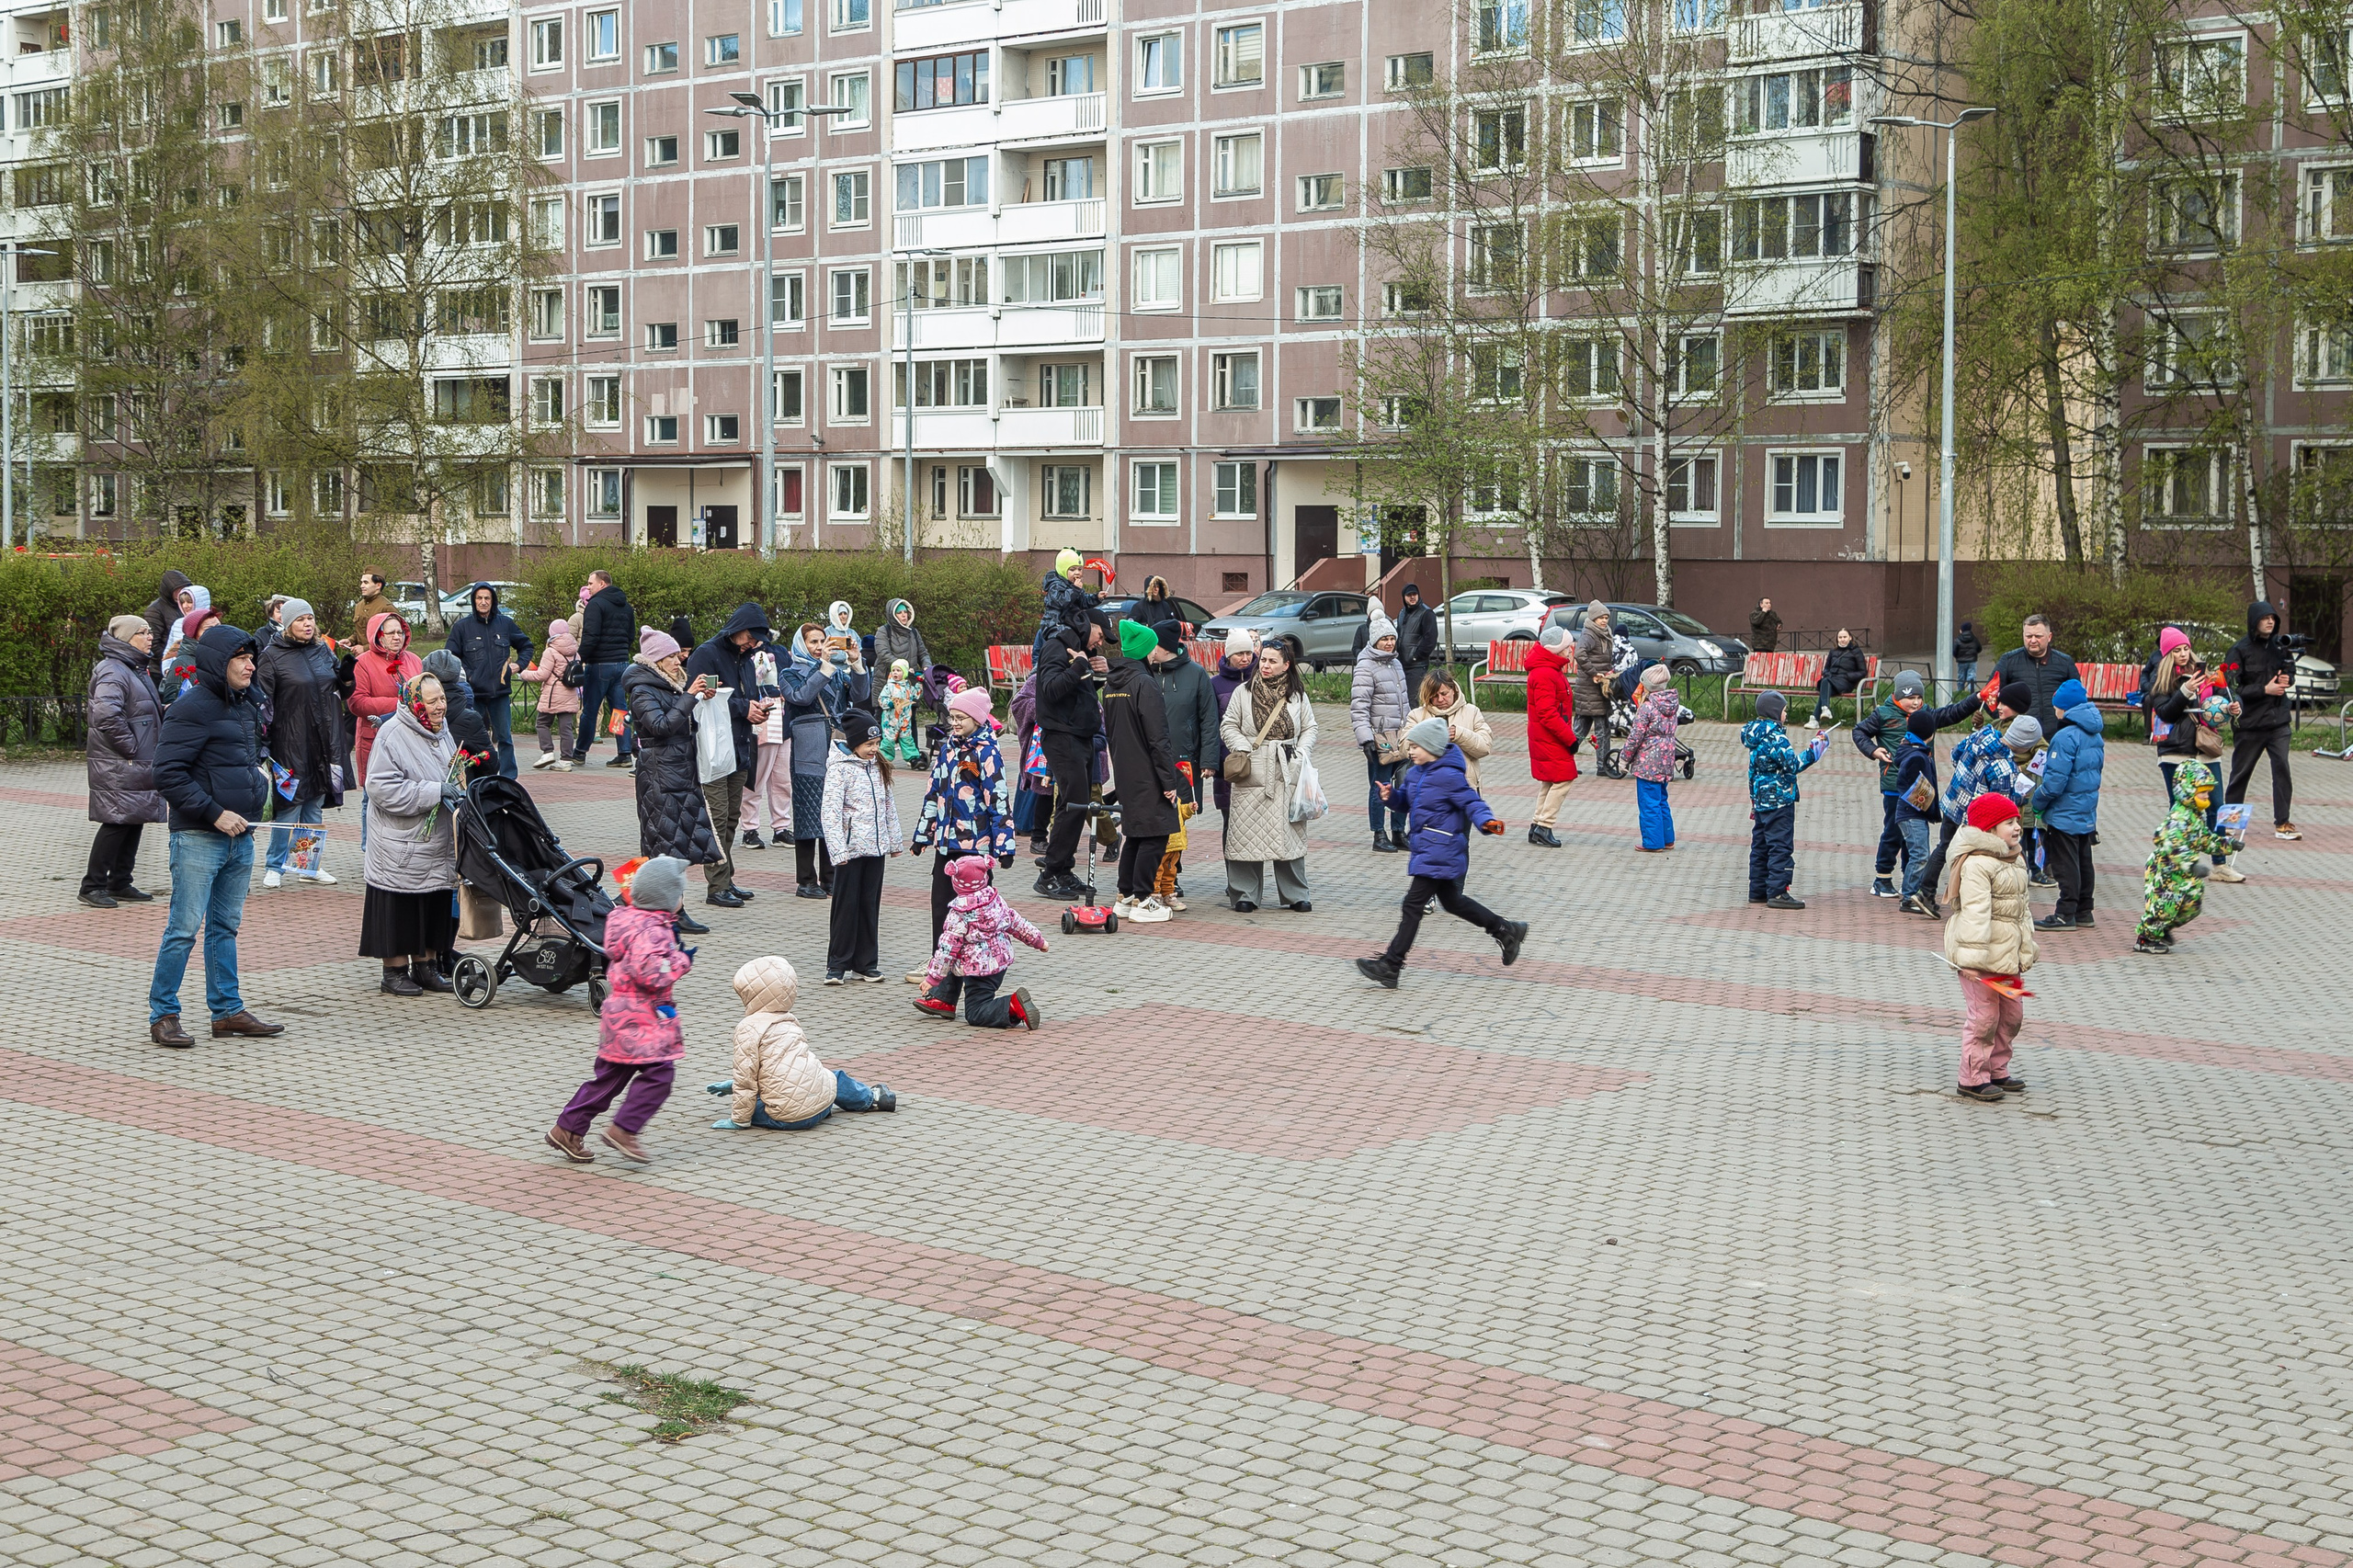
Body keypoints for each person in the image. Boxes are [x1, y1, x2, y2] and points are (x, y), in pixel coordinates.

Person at [147, 622, 285, 1048]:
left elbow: (244, 762)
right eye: (242, 659)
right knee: (184, 928)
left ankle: (227, 1011)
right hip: (198, 837)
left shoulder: (246, 706)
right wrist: (214, 813)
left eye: (252, 658)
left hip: (241, 836)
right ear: (217, 663)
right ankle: (163, 1013)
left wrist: (260, 789)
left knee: (225, 927)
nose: (250, 665)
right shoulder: (192, 709)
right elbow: (166, 773)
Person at [1354, 716, 1526, 989]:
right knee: (1453, 901)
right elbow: (1406, 803)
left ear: (1432, 748)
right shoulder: (1414, 773)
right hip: (1427, 848)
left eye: (1415, 747)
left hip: (1441, 849)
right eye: (1409, 747)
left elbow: (1472, 802)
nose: (1410, 751)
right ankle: (1506, 931)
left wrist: (1487, 822)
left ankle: (1391, 964)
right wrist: (1390, 797)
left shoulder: (1449, 775)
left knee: (1412, 905)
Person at [545, 855, 695, 1164]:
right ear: (665, 898)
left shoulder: (626, 920)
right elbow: (650, 971)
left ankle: (567, 1129)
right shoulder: (653, 930)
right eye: (680, 894)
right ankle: (624, 1130)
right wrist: (680, 961)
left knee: (609, 1078)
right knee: (659, 1075)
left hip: (619, 1015)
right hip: (643, 1016)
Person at [359, 672, 461, 995]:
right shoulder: (392, 733)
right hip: (400, 841)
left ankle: (426, 967)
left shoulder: (441, 731)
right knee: (400, 907)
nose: (440, 707)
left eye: (442, 699)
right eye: (431, 701)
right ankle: (393, 971)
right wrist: (433, 792)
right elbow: (379, 787)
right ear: (415, 702)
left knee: (433, 902)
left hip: (436, 840)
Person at [710, 957, 898, 1131]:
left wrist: (739, 1120)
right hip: (822, 1107)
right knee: (834, 1077)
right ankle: (871, 1098)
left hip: (788, 1119)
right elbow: (784, 1069)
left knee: (756, 1103)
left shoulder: (747, 1028)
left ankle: (748, 1116)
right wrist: (733, 1085)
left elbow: (746, 1080)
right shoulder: (789, 1020)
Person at [621, 627, 722, 936]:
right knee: (660, 845)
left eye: (677, 655)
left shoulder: (668, 684)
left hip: (679, 771)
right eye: (670, 657)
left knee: (674, 845)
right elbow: (661, 726)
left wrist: (698, 699)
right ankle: (634, 903)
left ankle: (654, 907)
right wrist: (690, 697)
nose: (678, 661)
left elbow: (680, 722)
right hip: (659, 774)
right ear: (655, 661)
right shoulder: (642, 688)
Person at [910, 686, 1017, 975]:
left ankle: (984, 959)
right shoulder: (947, 749)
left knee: (976, 912)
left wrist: (1004, 846)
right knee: (941, 907)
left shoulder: (987, 753)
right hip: (946, 845)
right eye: (952, 717)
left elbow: (999, 801)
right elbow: (933, 794)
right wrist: (923, 835)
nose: (955, 723)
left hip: (975, 851)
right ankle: (938, 960)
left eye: (961, 718)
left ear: (978, 719)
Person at [682, 604, 780, 909]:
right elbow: (701, 699)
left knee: (732, 818)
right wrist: (743, 708)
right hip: (713, 750)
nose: (753, 645)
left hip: (738, 747)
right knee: (718, 817)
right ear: (738, 629)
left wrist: (757, 709)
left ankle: (726, 878)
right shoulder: (707, 654)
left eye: (757, 642)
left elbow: (743, 697)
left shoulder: (747, 659)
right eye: (750, 638)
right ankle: (717, 885)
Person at [1941, 793, 2038, 1104]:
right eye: (2008, 822)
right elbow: (1975, 913)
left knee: (2012, 1016)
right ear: (1990, 828)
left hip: (2007, 956)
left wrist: (2026, 949)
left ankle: (1998, 1069)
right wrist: (1970, 959)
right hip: (1979, 955)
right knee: (1984, 1019)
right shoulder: (1978, 865)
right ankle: (1972, 1077)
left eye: (2017, 821)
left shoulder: (2016, 859)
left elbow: (2022, 912)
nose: (2017, 827)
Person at [1856, 670, 1981, 899]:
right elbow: (1859, 732)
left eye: (1918, 698)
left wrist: (1977, 699)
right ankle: (1882, 877)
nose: (1915, 702)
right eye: (1910, 697)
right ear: (1897, 695)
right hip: (1895, 785)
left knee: (1914, 833)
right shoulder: (1883, 714)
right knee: (1894, 830)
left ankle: (1909, 878)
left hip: (1921, 786)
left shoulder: (1925, 714)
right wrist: (1873, 751)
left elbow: (1952, 714)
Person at [1219, 639, 1316, 912]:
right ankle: (1244, 895)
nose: (1266, 665)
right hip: (1253, 768)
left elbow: (1310, 727)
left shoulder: (1297, 695)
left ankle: (1296, 894)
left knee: (1290, 832)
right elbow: (1229, 725)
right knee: (1246, 833)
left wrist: (1300, 752)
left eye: (1273, 661)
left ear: (1286, 665)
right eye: (1263, 660)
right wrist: (1243, 747)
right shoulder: (1243, 692)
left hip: (1287, 767)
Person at [256, 599, 345, 890]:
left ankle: (306, 864)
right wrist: (263, 743)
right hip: (289, 741)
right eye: (301, 620)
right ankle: (275, 866)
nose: (307, 624)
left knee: (314, 804)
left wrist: (348, 675)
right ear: (288, 624)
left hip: (322, 741)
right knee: (289, 805)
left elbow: (339, 687)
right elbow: (263, 703)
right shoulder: (272, 656)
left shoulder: (322, 650)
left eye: (310, 618)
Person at [782, 619, 871, 898]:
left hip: (836, 747)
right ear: (802, 644)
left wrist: (856, 665)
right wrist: (824, 667)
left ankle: (830, 878)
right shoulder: (789, 672)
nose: (820, 647)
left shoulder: (837, 671)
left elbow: (861, 696)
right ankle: (805, 880)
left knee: (833, 813)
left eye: (823, 641)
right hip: (808, 751)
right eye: (814, 642)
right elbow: (801, 696)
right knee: (807, 814)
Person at [1920, 684, 2036, 897]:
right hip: (1974, 817)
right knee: (1973, 856)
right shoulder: (2005, 767)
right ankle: (1968, 896)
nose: (1999, 706)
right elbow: (2002, 805)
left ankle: (1924, 892)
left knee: (1944, 846)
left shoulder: (1982, 735)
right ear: (2023, 745)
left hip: (1953, 803)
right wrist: (2022, 795)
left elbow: (1955, 754)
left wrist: (1968, 772)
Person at [82, 615, 165, 908]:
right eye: (143, 632)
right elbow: (106, 714)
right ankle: (92, 885)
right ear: (126, 638)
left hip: (135, 759)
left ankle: (120, 881)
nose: (149, 637)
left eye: (150, 631)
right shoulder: (113, 670)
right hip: (120, 761)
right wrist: (131, 746)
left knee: (134, 818)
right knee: (116, 821)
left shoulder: (134, 668)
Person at [1103, 617, 1182, 924]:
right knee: (1158, 833)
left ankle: (1125, 896)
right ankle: (1143, 898)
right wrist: (1168, 779)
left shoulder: (1113, 683)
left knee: (1136, 833)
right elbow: (1158, 737)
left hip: (1125, 769)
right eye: (1151, 647)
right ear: (1144, 650)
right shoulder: (1144, 683)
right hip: (1149, 772)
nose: (1155, 652)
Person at [2148, 631, 2241, 883]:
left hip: (2206, 749)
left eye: (2185, 649)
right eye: (2176, 650)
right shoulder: (2161, 679)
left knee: (2217, 808)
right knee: (2180, 810)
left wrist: (2233, 707)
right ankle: (2178, 861)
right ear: (2168, 654)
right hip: (2175, 752)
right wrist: (2186, 691)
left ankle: (2220, 865)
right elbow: (2165, 713)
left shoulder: (2206, 675)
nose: (2182, 654)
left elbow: (2224, 696)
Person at [915, 854, 1046, 1029]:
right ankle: (944, 998)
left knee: (976, 1011)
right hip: (999, 963)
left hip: (979, 970)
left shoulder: (958, 914)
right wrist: (1038, 941)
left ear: (956, 882)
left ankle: (1012, 1006)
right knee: (957, 960)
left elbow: (946, 950)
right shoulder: (996, 901)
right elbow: (1016, 922)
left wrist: (932, 978)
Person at [820, 710, 903, 984]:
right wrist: (838, 850)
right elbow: (830, 812)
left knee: (870, 904)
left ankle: (866, 963)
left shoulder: (878, 767)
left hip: (876, 849)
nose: (874, 749)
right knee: (846, 906)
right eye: (869, 744)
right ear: (854, 743)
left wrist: (894, 841)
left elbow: (889, 806)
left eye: (877, 743)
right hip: (851, 850)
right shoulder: (839, 770)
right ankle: (837, 963)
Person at [1145, 621, 1220, 910]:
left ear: (1163, 646)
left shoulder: (1196, 674)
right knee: (1154, 823)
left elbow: (1209, 720)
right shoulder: (1145, 672)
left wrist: (1210, 760)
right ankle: (1152, 880)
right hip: (1151, 763)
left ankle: (1171, 880)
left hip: (1185, 763)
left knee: (1179, 822)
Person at [1032, 615, 1107, 901]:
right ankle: (1050, 872)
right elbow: (1050, 689)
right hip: (1062, 737)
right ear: (1088, 626)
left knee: (1074, 803)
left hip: (1081, 737)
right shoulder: (1057, 647)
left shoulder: (1081, 652)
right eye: (1101, 634)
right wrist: (1079, 666)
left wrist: (1095, 676)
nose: (1101, 642)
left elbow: (1077, 693)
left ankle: (1062, 869)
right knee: (1073, 803)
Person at [2136, 758, 2240, 955]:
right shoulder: (2178, 817)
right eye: (2202, 792)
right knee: (2163, 907)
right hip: (2166, 872)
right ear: (2188, 791)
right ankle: (2146, 937)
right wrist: (2190, 864)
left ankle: (2162, 929)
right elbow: (2169, 842)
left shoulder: (2195, 816)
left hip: (2186, 874)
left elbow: (2205, 840)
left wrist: (2227, 844)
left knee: (2192, 905)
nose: (2206, 796)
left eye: (2207, 792)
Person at [2221, 599, 2300, 841]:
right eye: (2265, 618)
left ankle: (2283, 823)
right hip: (2250, 724)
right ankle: (2228, 825)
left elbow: (2291, 673)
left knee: (2282, 769)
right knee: (2241, 773)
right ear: (2253, 621)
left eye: (2273, 618)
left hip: (2278, 722)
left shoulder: (2280, 646)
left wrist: (2287, 680)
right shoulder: (2238, 650)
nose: (2270, 622)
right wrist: (2263, 690)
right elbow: (2231, 688)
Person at [1741, 692, 1825, 908]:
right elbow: (1793, 765)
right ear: (1775, 712)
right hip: (1779, 801)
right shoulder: (1777, 738)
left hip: (1761, 801)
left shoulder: (1756, 737)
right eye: (1784, 710)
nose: (1786, 713)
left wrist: (1753, 800)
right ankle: (1778, 892)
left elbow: (1752, 772)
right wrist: (1814, 751)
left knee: (1760, 846)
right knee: (1780, 846)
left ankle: (1758, 890)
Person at [2033, 676, 2106, 930]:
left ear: (2064, 708)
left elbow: (2054, 782)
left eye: (2056, 706)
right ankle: (2085, 910)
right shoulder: (2095, 735)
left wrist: (2038, 800)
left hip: (2064, 813)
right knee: (2084, 860)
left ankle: (2065, 912)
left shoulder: (2065, 738)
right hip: (2085, 810)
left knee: (2065, 864)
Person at [347, 612, 422, 852]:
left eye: (400, 632)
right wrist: (400, 704)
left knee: (407, 793)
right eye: (390, 633)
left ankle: (400, 846)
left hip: (411, 739)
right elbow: (357, 703)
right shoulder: (363, 663)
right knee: (374, 797)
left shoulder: (414, 661)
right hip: (375, 740)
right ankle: (368, 848)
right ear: (378, 635)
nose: (396, 637)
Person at [443, 583, 531, 778]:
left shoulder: (505, 624)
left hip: (500, 693)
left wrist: (518, 665)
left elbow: (526, 645)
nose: (483, 602)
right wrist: (466, 675)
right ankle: (475, 776)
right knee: (471, 738)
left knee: (505, 738)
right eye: (479, 598)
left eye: (487, 598)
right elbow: (450, 656)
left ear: (493, 601)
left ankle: (508, 778)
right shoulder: (462, 627)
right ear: (474, 601)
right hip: (473, 695)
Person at [1352, 610, 1412, 853]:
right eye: (1384, 639)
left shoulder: (1396, 663)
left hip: (1402, 736)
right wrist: (1365, 738)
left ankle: (1399, 832)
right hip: (1381, 739)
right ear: (1374, 641)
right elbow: (1359, 706)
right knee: (1381, 785)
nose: (1389, 643)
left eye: (1392, 638)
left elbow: (1404, 702)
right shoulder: (1366, 666)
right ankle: (1379, 834)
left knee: (1403, 784)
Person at [571, 570, 638, 768]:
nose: (588, 587)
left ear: (602, 584)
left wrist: (580, 658)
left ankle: (580, 752)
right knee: (619, 710)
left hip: (599, 664)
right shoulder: (626, 606)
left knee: (590, 711)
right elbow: (631, 635)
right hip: (621, 664)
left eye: (591, 583)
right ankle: (624, 753)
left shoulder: (596, 605)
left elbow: (591, 636)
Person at [1523, 626, 1579, 848]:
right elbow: (1547, 713)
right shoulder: (1545, 673)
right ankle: (1544, 826)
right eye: (1566, 647)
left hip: (1548, 735)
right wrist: (1570, 739)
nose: (1570, 651)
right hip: (1550, 736)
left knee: (1551, 779)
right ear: (1556, 649)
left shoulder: (1549, 668)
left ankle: (1537, 825)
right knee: (1564, 778)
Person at [1891, 710, 1949, 915]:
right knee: (1920, 854)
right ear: (1930, 733)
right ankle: (1909, 896)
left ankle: (1912, 893)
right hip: (1911, 813)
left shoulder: (1913, 750)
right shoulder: (1917, 756)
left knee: (1918, 852)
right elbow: (1911, 786)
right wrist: (1928, 806)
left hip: (1912, 812)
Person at [740, 630, 790, 852]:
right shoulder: (742, 654)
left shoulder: (779, 651)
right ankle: (749, 828)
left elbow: (789, 678)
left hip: (784, 718)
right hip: (761, 717)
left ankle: (781, 827)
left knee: (782, 779)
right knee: (756, 777)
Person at [1992, 613, 2082, 734]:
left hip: (2058, 734)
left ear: (2049, 637)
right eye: (2029, 636)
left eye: (2038, 636)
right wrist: (2005, 723)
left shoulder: (2065, 663)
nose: (2033, 640)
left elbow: (2078, 699)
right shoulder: (2008, 661)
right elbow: (1990, 696)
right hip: (2020, 736)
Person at [1623, 665, 1681, 851]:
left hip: (1648, 762)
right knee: (1661, 799)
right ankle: (1667, 838)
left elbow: (1635, 736)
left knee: (1649, 802)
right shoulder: (1671, 704)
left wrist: (1625, 758)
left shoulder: (1647, 707)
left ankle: (1653, 842)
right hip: (1666, 760)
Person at [519, 618, 580, 771]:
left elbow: (542, 675)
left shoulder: (551, 651)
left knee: (542, 723)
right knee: (566, 729)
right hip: (570, 693)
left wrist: (524, 674)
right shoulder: (574, 651)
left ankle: (547, 752)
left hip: (553, 694)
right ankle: (566, 761)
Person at [1209, 627, 1256, 824]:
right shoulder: (1216, 684)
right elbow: (1211, 724)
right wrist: (1217, 757)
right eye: (1239, 654)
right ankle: (1229, 856)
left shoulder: (1260, 679)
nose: (1245, 658)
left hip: (1257, 760)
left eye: (1248, 653)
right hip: (1228, 762)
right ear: (1229, 655)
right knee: (1230, 821)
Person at [1572, 604, 1619, 770]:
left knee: (1580, 730)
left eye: (1606, 618)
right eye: (1601, 618)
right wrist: (1593, 673)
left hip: (1597, 687)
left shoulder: (1604, 634)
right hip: (1590, 688)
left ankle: (1566, 761)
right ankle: (1603, 766)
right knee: (1600, 730)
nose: (1604, 621)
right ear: (1593, 618)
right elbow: (1579, 653)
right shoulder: (1590, 634)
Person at [1033, 547, 1097, 662]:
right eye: (1072, 570)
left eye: (1079, 569)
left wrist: (1097, 598)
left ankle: (1081, 662)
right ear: (1063, 570)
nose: (1077, 573)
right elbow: (1061, 602)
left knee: (1082, 636)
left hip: (1068, 623)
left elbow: (1083, 602)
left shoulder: (1075, 587)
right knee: (1071, 638)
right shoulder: (1056, 585)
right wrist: (1075, 589)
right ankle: (1074, 661)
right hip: (1054, 623)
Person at [1809, 628, 1870, 727]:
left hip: (1846, 682)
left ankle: (1815, 718)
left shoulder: (1856, 651)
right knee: (1825, 682)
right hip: (1832, 680)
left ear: (1850, 638)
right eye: (1840, 637)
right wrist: (1828, 674)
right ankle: (1824, 710)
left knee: (1825, 686)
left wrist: (1847, 676)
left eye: (1845, 637)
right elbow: (1826, 669)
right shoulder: (1833, 651)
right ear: (1837, 639)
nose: (1842, 639)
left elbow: (1863, 672)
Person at [142, 570, 193, 681]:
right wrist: (170, 663)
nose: (181, 593)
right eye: (177, 590)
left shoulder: (185, 607)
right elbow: (153, 644)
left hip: (184, 667)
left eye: (184, 589)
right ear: (168, 590)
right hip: (160, 670)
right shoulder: (155, 610)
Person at [1395, 584, 1439, 699]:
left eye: (1414, 594)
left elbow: (1430, 639)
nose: (1412, 597)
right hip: (1401, 663)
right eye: (1409, 595)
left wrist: (1416, 656)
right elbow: (1399, 635)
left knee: (1412, 699)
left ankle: (1414, 718)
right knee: (1401, 698)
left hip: (1417, 665)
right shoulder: (1402, 613)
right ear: (1404, 597)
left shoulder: (1426, 613)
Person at [874, 597, 931, 686]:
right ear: (893, 615)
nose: (904, 615)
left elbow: (923, 653)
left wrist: (927, 666)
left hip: (910, 683)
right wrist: (903, 667)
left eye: (905, 612)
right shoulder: (883, 631)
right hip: (886, 684)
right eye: (899, 613)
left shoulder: (913, 632)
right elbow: (883, 654)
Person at [879, 659, 923, 765]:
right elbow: (881, 699)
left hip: (905, 719)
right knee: (888, 740)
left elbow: (916, 694)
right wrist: (889, 703)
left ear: (905, 673)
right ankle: (885, 758)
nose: (895, 672)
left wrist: (920, 682)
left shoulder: (908, 686)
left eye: (898, 670)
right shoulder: (889, 686)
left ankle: (913, 758)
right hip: (890, 719)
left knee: (907, 739)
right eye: (893, 670)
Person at [351, 571, 395, 646]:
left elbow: (392, 638)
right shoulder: (359, 606)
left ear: (378, 585)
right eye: (361, 582)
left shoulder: (387, 608)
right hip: (361, 657)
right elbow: (360, 632)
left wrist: (365, 648)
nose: (361, 586)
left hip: (380, 656)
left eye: (366, 582)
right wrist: (350, 641)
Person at [1952, 620, 1983, 688]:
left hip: (1961, 661)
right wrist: (1973, 654)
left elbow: (1954, 651)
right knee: (1971, 677)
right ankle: (1971, 693)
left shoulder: (1958, 639)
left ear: (1962, 630)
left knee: (1961, 677)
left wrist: (1958, 656)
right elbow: (1979, 648)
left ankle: (1959, 692)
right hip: (1972, 661)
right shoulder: (1974, 639)